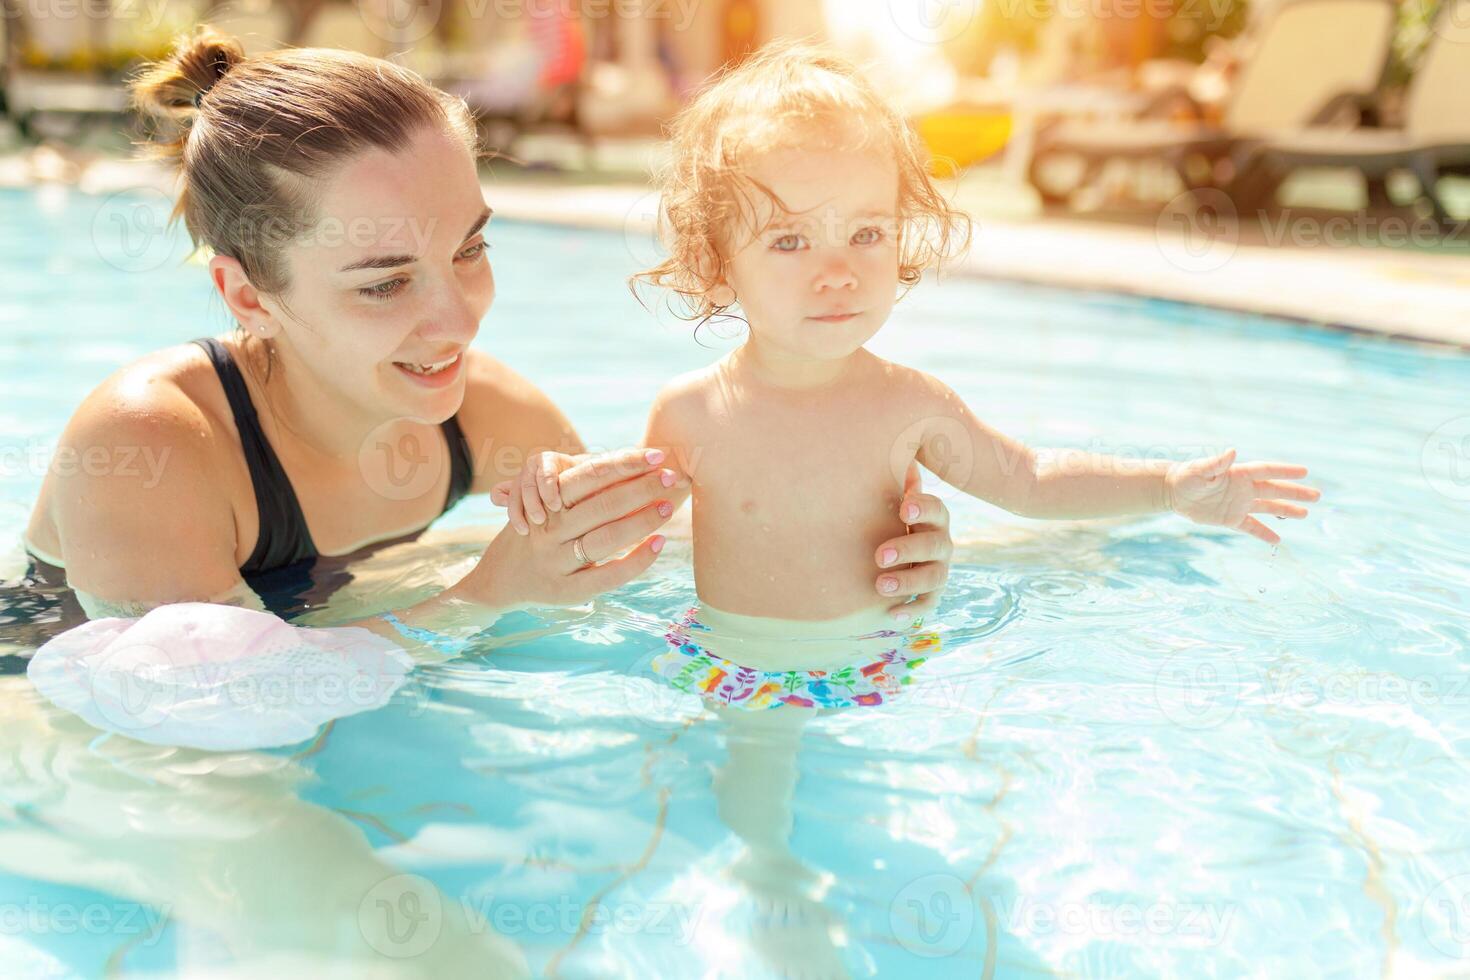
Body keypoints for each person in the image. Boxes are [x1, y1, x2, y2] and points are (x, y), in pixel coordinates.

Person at [16, 27, 956, 658]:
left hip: (332, 645)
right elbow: (209, 714)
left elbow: (658, 557)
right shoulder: (148, 444)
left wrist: (871, 547)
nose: (457, 320)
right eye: (384, 281)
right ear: (244, 292)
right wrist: (485, 593)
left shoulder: (484, 412)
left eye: (469, 249)